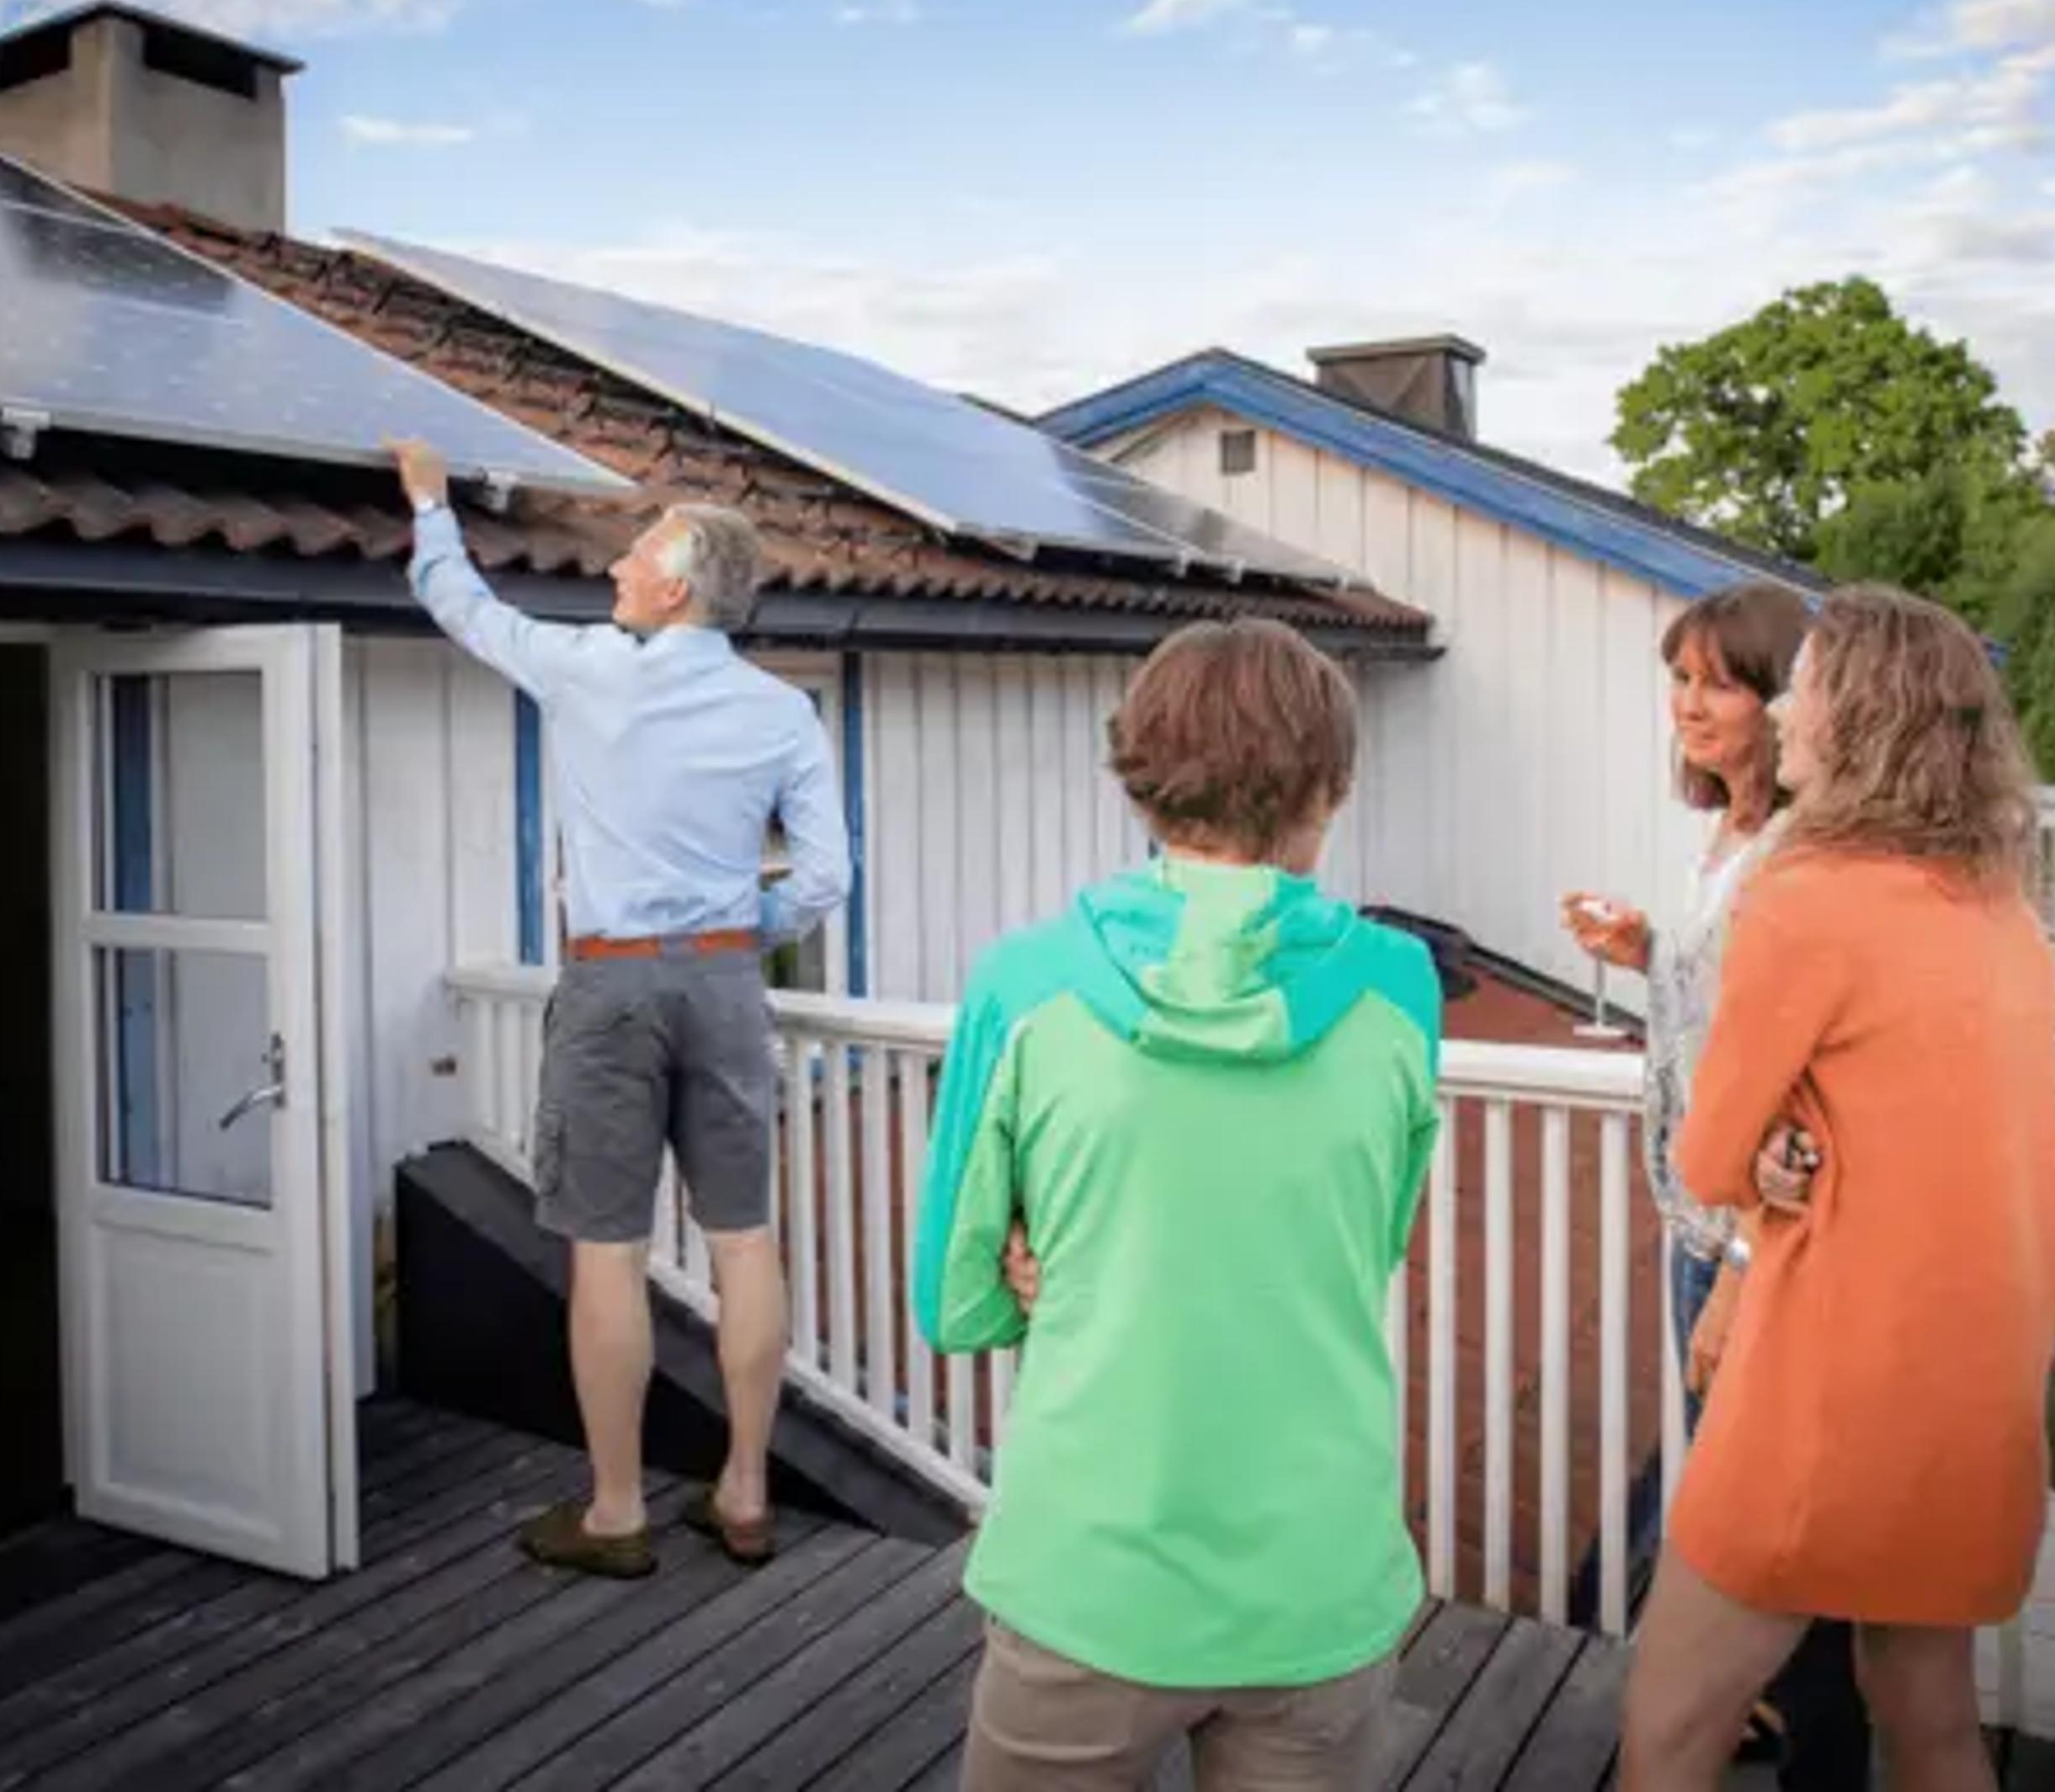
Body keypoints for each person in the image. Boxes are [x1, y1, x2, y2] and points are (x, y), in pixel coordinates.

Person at [913, 619, 1439, 1792]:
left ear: (1140, 776)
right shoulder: (1401, 989)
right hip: (1318, 1572)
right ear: (1332, 784)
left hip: (1089, 1574)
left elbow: (950, 1301)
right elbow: (1372, 1233)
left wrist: (1038, 1265)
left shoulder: (1026, 983)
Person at [1622, 587, 2055, 1792]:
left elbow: (1707, 1162)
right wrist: (1791, 1151)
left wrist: (1762, 1160)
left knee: (1666, 1730)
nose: (1787, 710)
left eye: (1804, 685)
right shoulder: (2001, 911)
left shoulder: (1805, 898)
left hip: (1831, 1393)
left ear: (1858, 718)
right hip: (1976, 1390)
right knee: (1928, 1721)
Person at [389, 439, 849, 1577]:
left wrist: (431, 505)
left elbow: (462, 605)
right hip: (728, 982)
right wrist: (730, 927)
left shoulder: (593, 667)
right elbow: (830, 880)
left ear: (677, 584)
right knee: (745, 1240)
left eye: (635, 557)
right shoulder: (786, 711)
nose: (614, 573)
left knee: (607, 1248)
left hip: (613, 986)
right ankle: (743, 1494)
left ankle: (614, 1511)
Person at [1561, 580, 1871, 1791]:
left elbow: (1801, 1080)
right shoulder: (1734, 833)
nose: (1688, 703)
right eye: (1679, 678)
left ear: (1786, 699)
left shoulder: (1801, 851)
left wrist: (1743, 1260)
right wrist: (1649, 950)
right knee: (1734, 1499)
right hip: (1702, 1218)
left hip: (1760, 1239)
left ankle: (1812, 1750)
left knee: (1774, 1517)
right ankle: (1746, 1705)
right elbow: (1727, 1018)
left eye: (1720, 681)